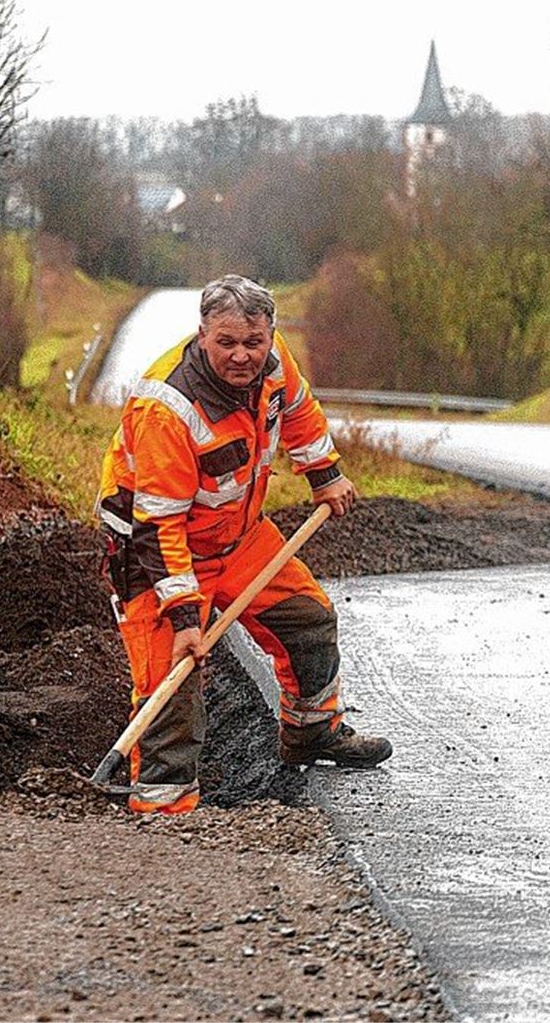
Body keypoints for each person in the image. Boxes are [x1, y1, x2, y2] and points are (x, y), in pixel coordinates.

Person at [96, 274, 392, 814]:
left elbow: (299, 411)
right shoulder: (167, 409)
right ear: (202, 333)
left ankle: (310, 733)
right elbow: (158, 527)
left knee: (309, 620)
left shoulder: (273, 359)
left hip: (238, 534)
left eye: (253, 342)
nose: (242, 356)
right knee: (173, 688)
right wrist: (186, 620)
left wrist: (324, 473)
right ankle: (165, 810)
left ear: (269, 333)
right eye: (227, 342)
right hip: (157, 553)